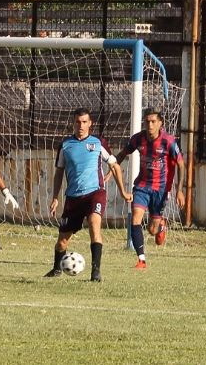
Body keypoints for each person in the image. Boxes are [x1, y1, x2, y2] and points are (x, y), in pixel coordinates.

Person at [45, 108, 131, 282]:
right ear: (73, 123)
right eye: (78, 122)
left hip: (95, 193)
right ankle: (56, 268)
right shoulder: (65, 145)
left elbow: (114, 166)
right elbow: (59, 172)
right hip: (73, 198)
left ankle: (96, 272)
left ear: (90, 123)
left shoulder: (98, 143)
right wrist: (55, 197)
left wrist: (122, 191)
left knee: (94, 224)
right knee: (62, 241)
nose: (81, 125)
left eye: (84, 122)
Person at [114, 107, 185, 268]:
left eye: (153, 121)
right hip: (142, 186)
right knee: (136, 218)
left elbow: (181, 165)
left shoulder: (169, 141)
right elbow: (123, 154)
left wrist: (179, 190)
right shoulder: (137, 139)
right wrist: (112, 169)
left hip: (161, 189)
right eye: (147, 122)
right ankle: (141, 260)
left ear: (161, 123)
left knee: (152, 230)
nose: (150, 125)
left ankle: (160, 226)